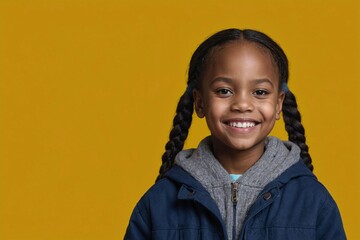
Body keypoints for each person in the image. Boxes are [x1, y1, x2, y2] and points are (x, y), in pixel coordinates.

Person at [124, 28, 346, 240]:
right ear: (199, 103)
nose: (242, 104)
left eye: (260, 92)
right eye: (224, 91)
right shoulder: (158, 203)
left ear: (279, 104)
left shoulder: (314, 202)